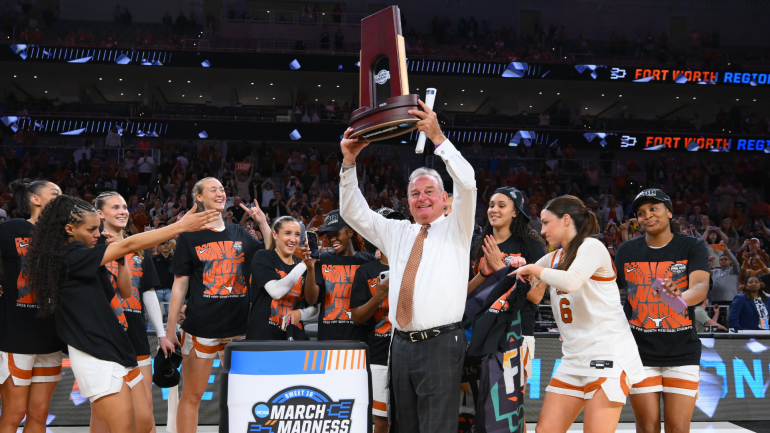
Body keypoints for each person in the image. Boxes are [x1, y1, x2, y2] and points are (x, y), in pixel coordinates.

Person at [338, 98, 476, 432]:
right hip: (400, 344)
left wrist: (439, 139)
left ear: (445, 200)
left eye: (430, 191)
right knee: (403, 427)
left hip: (441, 343)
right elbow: (352, 213)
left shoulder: (458, 227)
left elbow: (468, 183)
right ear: (408, 201)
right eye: (415, 193)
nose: (422, 197)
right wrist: (349, 162)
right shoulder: (397, 231)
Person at [26, 195, 219, 433]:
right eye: (91, 229)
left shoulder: (90, 255)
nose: (97, 234)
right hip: (94, 352)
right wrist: (179, 227)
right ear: (69, 229)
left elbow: (126, 291)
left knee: (145, 423)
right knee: (123, 428)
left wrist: (119, 259)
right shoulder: (70, 256)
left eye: (98, 228)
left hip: (119, 347)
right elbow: (128, 244)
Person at [511, 195, 646, 433]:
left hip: (607, 353)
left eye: (545, 222)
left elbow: (572, 281)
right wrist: (508, 266)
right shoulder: (553, 257)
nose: (541, 230)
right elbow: (533, 295)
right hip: (573, 358)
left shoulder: (591, 246)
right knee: (545, 430)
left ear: (565, 220)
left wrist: (532, 268)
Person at [164, 178, 272, 433]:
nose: (220, 192)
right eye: (213, 189)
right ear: (199, 197)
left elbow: (268, 255)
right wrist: (170, 330)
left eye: (222, 189)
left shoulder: (238, 232)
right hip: (202, 327)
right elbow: (180, 284)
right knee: (192, 395)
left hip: (238, 328)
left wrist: (263, 223)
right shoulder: (189, 236)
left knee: (240, 398)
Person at [614, 189, 709, 433]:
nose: (647, 216)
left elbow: (699, 287)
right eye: (641, 213)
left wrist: (679, 297)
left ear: (669, 211)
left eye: (654, 208)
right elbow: (610, 294)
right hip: (639, 351)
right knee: (647, 428)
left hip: (682, 350)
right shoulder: (626, 251)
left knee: (678, 428)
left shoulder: (692, 246)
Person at [91, 191, 172, 433]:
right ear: (99, 214)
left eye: (125, 206)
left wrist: (161, 334)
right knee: (101, 411)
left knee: (145, 409)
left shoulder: (139, 248)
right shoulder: (89, 247)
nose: (123, 211)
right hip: (103, 336)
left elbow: (147, 292)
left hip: (136, 335)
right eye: (115, 207)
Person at [465, 186, 545, 431]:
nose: (494, 210)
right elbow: (465, 294)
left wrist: (502, 269)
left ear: (515, 212)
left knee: (508, 407)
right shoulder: (478, 243)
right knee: (473, 409)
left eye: (502, 205)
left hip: (516, 335)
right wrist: (483, 273)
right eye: (491, 205)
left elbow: (537, 295)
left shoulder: (531, 244)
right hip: (478, 335)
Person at [0, 180, 62, 433]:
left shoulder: (67, 236)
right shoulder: (10, 229)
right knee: (15, 412)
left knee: (40, 413)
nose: (61, 198)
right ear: (35, 199)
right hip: (16, 334)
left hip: (51, 335)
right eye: (55, 193)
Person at [350, 207, 406, 433]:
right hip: (380, 353)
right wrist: (380, 295)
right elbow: (356, 317)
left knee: (409, 418)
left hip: (412, 350)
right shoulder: (366, 271)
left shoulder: (417, 266)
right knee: (381, 420)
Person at [304, 210, 375, 342]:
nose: (332, 240)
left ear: (350, 232)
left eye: (336, 234)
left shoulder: (367, 261)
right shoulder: (322, 260)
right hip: (329, 337)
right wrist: (310, 268)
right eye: (329, 236)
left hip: (361, 337)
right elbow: (311, 300)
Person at [246, 216, 315, 340]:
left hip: (293, 338)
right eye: (287, 233)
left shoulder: (305, 265)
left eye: (297, 234)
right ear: (275, 234)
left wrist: (301, 313)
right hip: (262, 338)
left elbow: (315, 307)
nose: (293, 239)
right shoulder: (263, 257)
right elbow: (276, 292)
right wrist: (304, 265)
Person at [153, 239, 174, 321]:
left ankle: (172, 332)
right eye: (162, 244)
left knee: (172, 315)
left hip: (170, 290)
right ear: (159, 247)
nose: (165, 245)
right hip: (157, 290)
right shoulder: (154, 260)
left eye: (167, 243)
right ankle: (152, 333)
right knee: (155, 314)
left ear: (171, 245)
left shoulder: (175, 259)